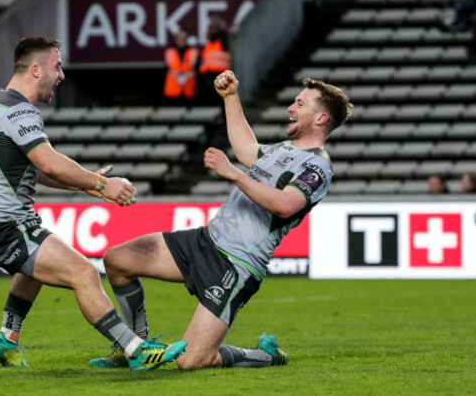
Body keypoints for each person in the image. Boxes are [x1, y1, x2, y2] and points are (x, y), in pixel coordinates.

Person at [90, 72, 352, 370]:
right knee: (117, 260)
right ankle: (135, 345)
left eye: (300, 104)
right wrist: (230, 97)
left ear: (320, 118)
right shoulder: (282, 149)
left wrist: (234, 173)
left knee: (191, 362)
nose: (291, 108)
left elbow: (284, 206)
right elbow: (244, 149)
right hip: (204, 241)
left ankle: (264, 355)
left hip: (236, 264)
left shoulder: (317, 166)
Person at [0, 36, 186, 371]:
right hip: (3, 226)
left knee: (36, 267)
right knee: (83, 273)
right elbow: (50, 163)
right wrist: (102, 184)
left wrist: (87, 187)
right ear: (36, 69)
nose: (62, 75)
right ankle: (135, 349)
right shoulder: (20, 110)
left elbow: (33, 168)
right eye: (57, 66)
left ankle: (7, 338)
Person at [198, 15, 230, 105]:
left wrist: (222, 30)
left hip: (220, 75)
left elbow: (226, 43)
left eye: (212, 26)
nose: (209, 29)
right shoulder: (209, 42)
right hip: (208, 77)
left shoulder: (224, 39)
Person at [163, 29, 199, 104]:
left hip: (189, 90)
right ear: (176, 39)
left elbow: (197, 71)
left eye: (184, 38)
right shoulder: (169, 52)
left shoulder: (194, 52)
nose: (182, 40)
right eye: (180, 38)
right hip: (173, 90)